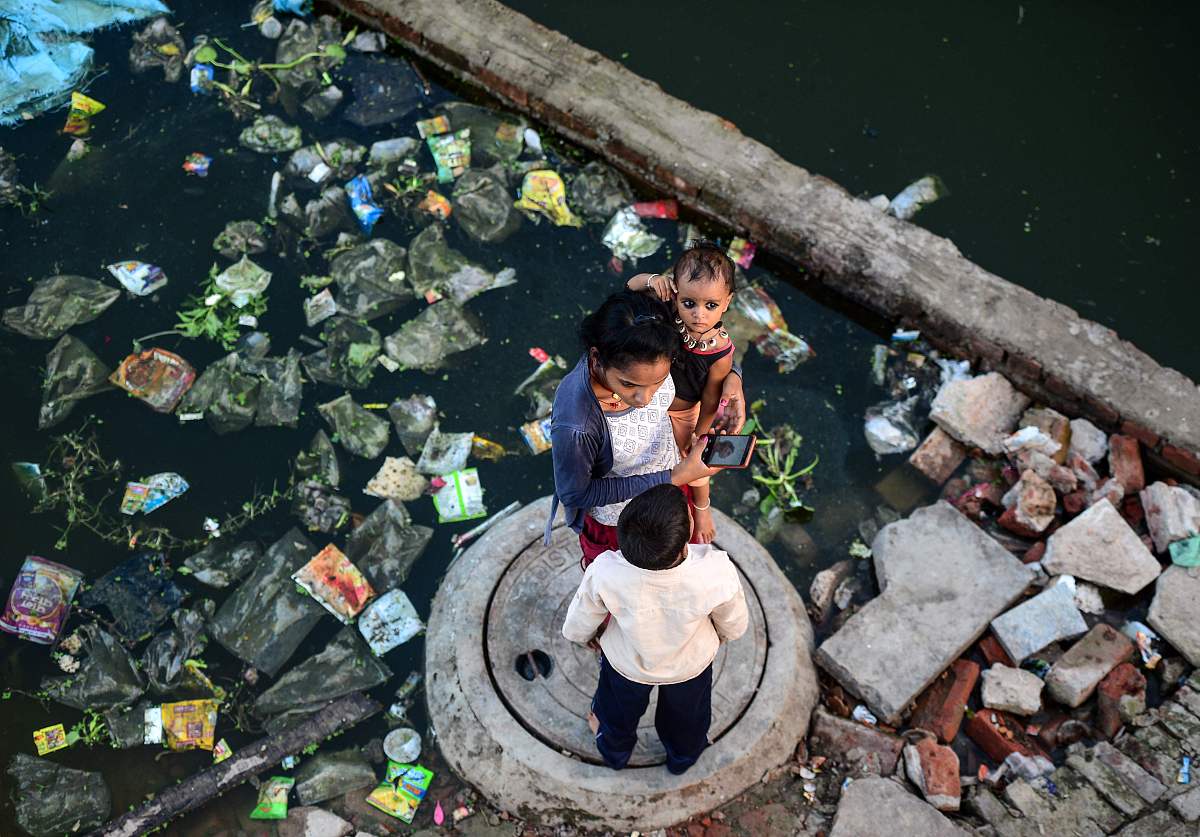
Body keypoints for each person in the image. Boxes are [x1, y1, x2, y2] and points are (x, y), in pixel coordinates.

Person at [547, 290, 745, 565]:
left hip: (671, 489)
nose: (645, 399)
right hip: (620, 522)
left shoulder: (653, 334)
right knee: (615, 589)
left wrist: (734, 378)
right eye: (629, 384)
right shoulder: (577, 425)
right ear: (596, 358)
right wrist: (673, 477)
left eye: (659, 381)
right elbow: (575, 493)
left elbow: (709, 344)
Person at [561, 484, 749, 774]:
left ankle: (614, 752)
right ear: (687, 536)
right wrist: (723, 635)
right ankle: (682, 758)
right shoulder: (715, 570)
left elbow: (579, 622)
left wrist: (586, 637)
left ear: (621, 537)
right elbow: (735, 623)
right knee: (688, 717)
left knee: (616, 711)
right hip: (690, 666)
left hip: (625, 665)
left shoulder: (605, 570)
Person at [626, 243, 737, 542]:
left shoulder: (721, 353)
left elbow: (711, 398)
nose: (698, 314)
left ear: (727, 302)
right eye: (690, 303)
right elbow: (630, 286)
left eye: (711, 306)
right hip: (649, 400)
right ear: (675, 294)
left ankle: (702, 508)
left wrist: (699, 435)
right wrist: (652, 280)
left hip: (685, 410)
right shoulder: (670, 314)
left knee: (696, 464)